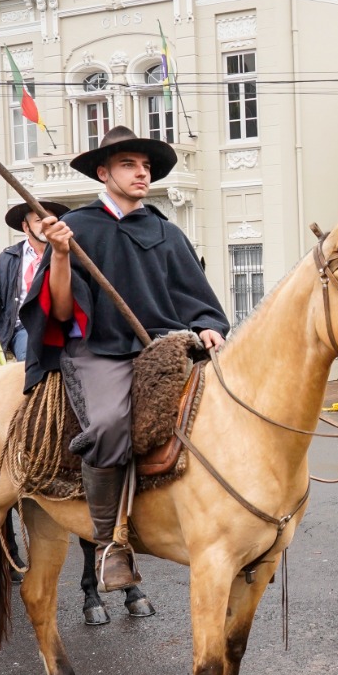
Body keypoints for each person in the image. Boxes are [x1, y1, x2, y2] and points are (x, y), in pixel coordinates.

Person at [21, 127, 230, 591]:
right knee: (109, 425)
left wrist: (207, 325)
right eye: (129, 165)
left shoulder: (166, 231)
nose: (141, 173)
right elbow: (59, 311)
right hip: (100, 348)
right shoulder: (78, 229)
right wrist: (60, 254)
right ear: (103, 173)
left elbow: (196, 297)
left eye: (146, 166)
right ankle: (109, 543)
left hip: (165, 345)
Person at [0, 200, 70, 360]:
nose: (46, 225)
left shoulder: (70, 255)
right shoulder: (5, 260)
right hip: (25, 329)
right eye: (39, 220)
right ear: (25, 227)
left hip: (65, 326)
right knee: (32, 359)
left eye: (51, 220)